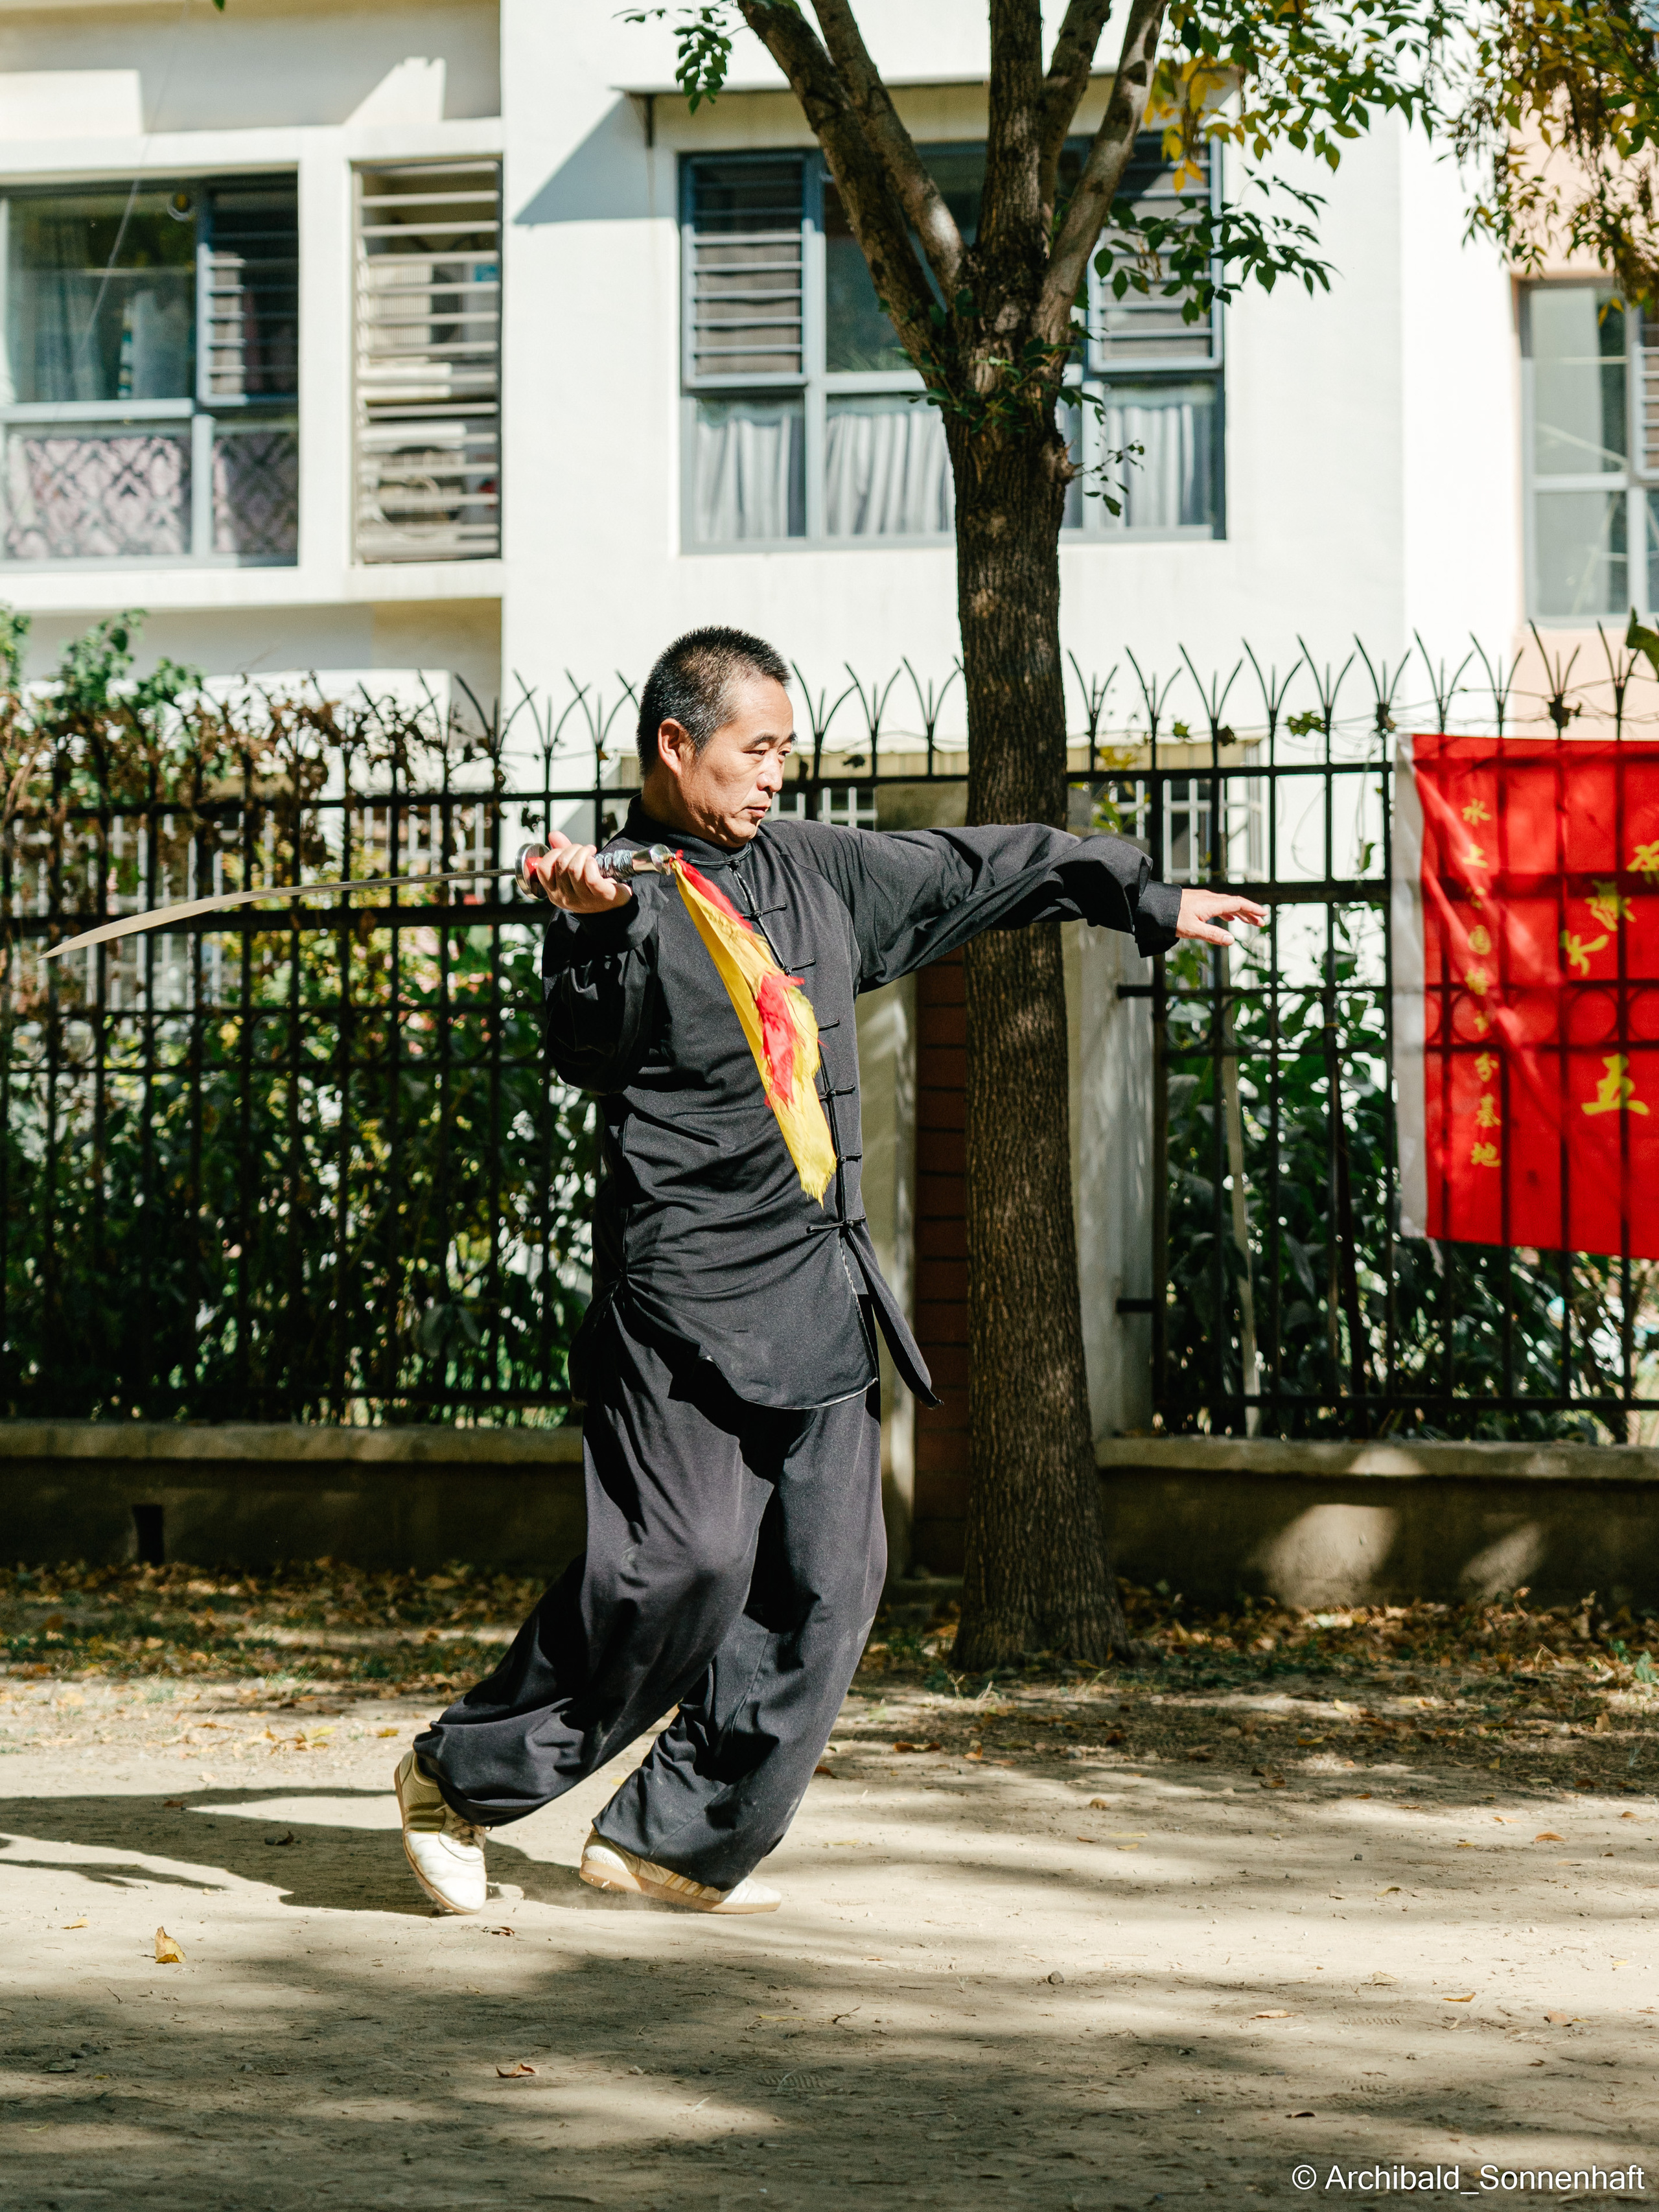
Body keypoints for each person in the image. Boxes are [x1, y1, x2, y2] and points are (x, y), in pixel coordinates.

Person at [393, 626, 1265, 1916]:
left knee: (831, 1584)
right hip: (683, 1302)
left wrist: (1141, 898)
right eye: (754, 752)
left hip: (818, 1285)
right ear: (675, 746)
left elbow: (977, 868)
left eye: (784, 752)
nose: (775, 776)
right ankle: (456, 1778)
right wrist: (589, 932)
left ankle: (673, 1838)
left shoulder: (818, 869)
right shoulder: (624, 894)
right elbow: (586, 1050)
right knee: (678, 1571)